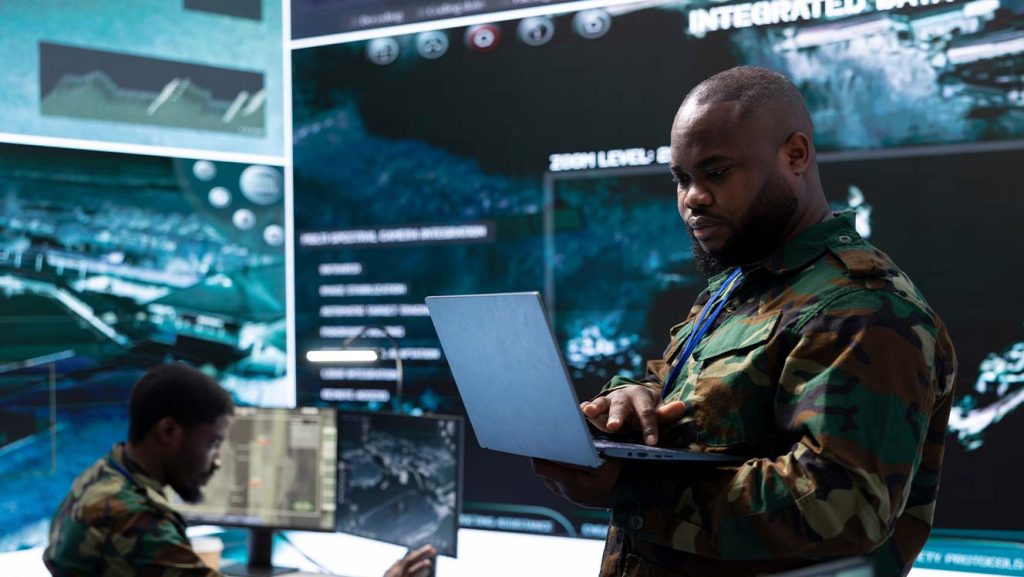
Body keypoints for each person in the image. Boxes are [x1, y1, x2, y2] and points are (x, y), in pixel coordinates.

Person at [532, 66, 956, 577]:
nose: (693, 198)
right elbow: (676, 388)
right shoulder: (740, 283)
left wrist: (634, 489)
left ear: (795, 155)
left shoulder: (862, 307)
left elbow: (841, 507)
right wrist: (629, 402)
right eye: (682, 179)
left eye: (716, 172)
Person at [44, 362, 436, 577]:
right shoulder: (135, 520)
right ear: (168, 431)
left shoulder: (100, 477)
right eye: (213, 443)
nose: (217, 460)